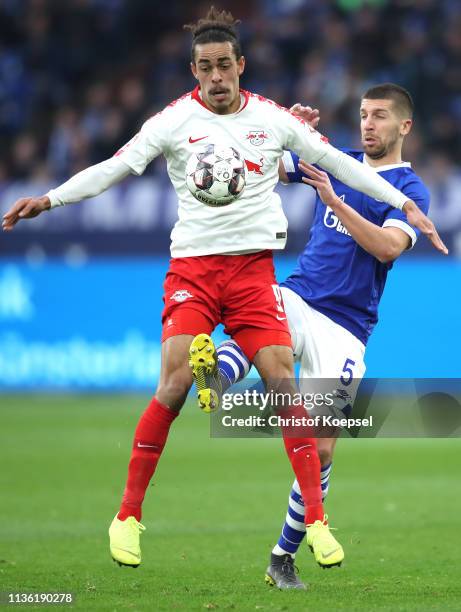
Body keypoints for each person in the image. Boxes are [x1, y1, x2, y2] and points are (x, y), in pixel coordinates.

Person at [1, 7, 445, 571]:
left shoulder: (273, 120)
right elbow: (116, 167)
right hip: (199, 269)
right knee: (175, 383)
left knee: (286, 386)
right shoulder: (172, 122)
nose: (214, 76)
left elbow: (335, 165)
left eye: (223, 66)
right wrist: (51, 198)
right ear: (195, 69)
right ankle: (129, 514)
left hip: (269, 278)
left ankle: (310, 524)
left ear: (240, 66)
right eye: (204, 67)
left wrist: (403, 203)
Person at [203, 83, 433, 589]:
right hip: (301, 296)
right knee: (269, 319)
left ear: (404, 127)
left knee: (322, 449)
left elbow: (387, 248)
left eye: (379, 116)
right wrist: (287, 126)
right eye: (364, 115)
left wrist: (335, 201)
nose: (368, 124)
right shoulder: (333, 158)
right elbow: (259, 162)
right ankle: (215, 378)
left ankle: (282, 558)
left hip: (348, 327)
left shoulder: (410, 192)